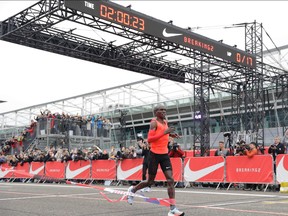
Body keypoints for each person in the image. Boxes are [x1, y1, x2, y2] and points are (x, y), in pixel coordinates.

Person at [127, 104, 184, 216]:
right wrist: (165, 132)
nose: (164, 111)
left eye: (165, 110)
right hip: (154, 155)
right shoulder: (154, 122)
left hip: (164, 155)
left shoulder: (165, 122)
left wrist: (171, 134)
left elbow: (163, 133)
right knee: (150, 181)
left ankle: (172, 209)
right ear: (156, 112)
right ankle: (132, 190)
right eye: (161, 110)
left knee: (170, 180)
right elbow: (150, 139)